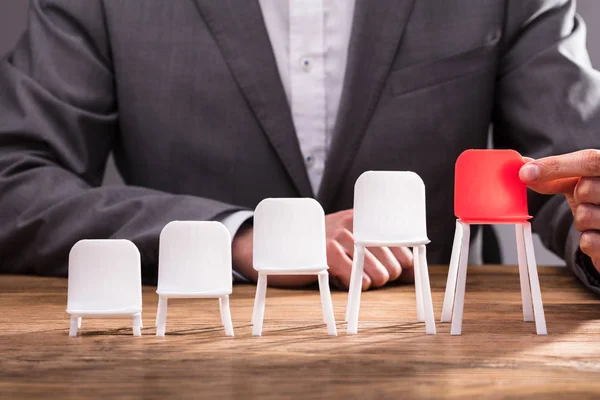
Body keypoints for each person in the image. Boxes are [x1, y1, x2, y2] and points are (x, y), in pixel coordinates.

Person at [0, 0, 600, 293]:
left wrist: (594, 228)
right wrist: (236, 236)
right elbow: (14, 181)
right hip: (183, 358)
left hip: (446, 353)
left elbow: (571, 172)